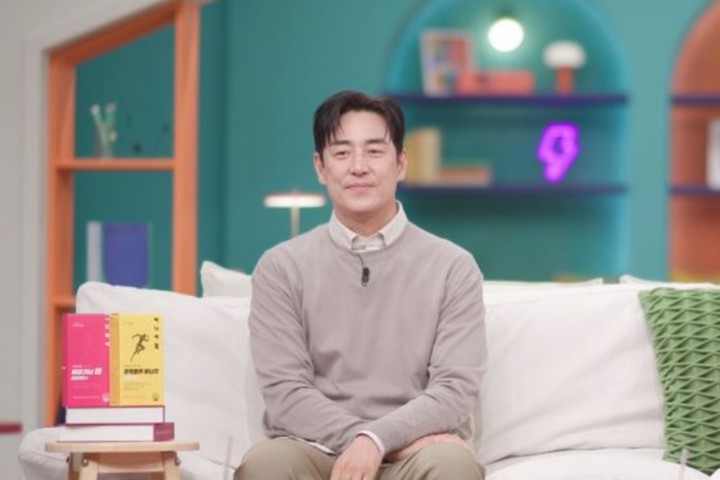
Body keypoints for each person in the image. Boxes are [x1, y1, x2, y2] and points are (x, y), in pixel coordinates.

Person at [235, 90, 486, 480]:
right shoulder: (280, 267)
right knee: (264, 466)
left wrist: (379, 441)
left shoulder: (453, 266)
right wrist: (365, 440)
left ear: (401, 163)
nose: (358, 167)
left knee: (454, 466)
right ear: (320, 167)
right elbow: (285, 392)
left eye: (374, 151)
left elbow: (455, 390)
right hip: (315, 449)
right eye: (341, 153)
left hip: (417, 453)